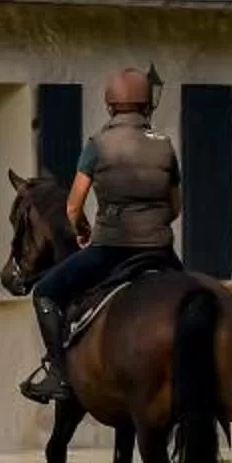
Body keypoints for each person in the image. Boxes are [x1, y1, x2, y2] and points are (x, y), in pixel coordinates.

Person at [21, 66, 183, 405]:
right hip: (160, 251)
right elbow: (175, 208)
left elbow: (73, 207)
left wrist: (82, 230)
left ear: (110, 106)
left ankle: (59, 375)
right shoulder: (166, 146)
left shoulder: (97, 146)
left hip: (112, 249)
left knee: (46, 293)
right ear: (148, 106)